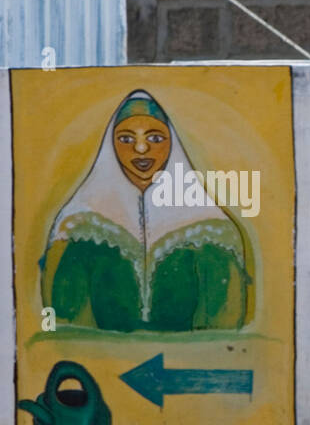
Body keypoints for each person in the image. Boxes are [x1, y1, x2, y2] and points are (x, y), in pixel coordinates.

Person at [40, 89, 252, 332]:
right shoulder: (80, 228)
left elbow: (223, 326)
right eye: (126, 139)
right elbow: (68, 323)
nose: (141, 149)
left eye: (155, 138)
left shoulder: (212, 232)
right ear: (111, 144)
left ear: (173, 143)